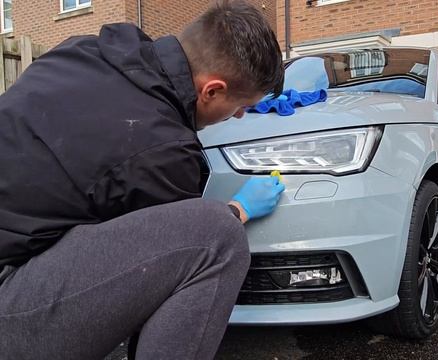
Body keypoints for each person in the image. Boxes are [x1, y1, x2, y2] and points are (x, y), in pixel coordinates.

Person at [0, 1, 284, 358]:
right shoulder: (165, 154)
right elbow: (154, 265)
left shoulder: (81, 50)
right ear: (211, 90)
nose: (241, 116)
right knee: (215, 237)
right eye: (241, 105)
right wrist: (236, 210)